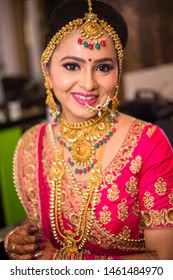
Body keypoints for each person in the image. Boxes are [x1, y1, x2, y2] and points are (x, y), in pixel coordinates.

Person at [4, 0, 173, 260]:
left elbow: (163, 262)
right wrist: (21, 243)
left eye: (103, 67)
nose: (88, 83)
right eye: (72, 65)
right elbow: (40, 229)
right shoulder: (31, 143)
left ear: (117, 73)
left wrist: (60, 261)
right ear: (47, 71)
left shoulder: (148, 143)